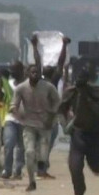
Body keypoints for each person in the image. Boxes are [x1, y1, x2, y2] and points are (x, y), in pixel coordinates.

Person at [59, 68, 99, 195]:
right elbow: (61, 110)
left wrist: (87, 98)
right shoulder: (71, 92)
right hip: (78, 135)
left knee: (98, 167)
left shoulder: (97, 92)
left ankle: (96, 166)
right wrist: (65, 125)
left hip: (95, 135)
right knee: (75, 167)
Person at [10, 65, 61, 191]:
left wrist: (52, 115)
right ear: (28, 73)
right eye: (32, 72)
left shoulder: (48, 87)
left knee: (43, 155)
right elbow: (13, 105)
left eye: (37, 72)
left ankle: (42, 166)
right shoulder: (21, 88)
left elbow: (58, 102)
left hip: (45, 124)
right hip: (29, 124)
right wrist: (18, 115)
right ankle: (31, 182)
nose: (35, 74)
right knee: (29, 152)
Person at [33, 35, 71, 176]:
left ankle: (41, 167)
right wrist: (64, 46)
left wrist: (34, 46)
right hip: (45, 118)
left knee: (44, 144)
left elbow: (55, 63)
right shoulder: (47, 81)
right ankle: (41, 168)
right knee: (45, 144)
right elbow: (43, 62)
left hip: (43, 117)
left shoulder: (46, 81)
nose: (49, 65)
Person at [1, 61, 27, 180]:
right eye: (11, 71)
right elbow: (1, 99)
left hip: (24, 120)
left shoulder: (27, 85)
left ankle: (18, 171)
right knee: (9, 144)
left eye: (15, 70)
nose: (13, 73)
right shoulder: (8, 84)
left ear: (21, 71)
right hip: (10, 119)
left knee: (21, 147)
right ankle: (7, 170)